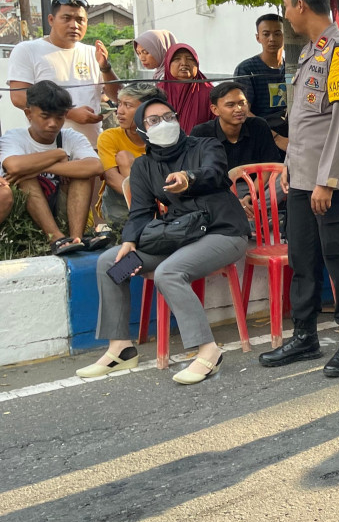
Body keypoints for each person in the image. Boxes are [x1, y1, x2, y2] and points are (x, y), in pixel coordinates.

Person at [78, 97, 251, 384]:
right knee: (112, 263)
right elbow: (141, 212)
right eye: (154, 120)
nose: (164, 124)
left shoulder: (205, 145)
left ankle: (208, 351)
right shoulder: (144, 167)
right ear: (142, 130)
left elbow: (214, 171)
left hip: (224, 232)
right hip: (181, 236)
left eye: (169, 116)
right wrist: (129, 242)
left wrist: (189, 177)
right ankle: (120, 347)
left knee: (168, 272)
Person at [258, 0, 339, 379]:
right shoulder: (311, 52)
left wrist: (327, 180)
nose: (285, 14)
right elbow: (305, 123)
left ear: (301, 6)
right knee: (304, 260)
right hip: (304, 180)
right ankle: (305, 335)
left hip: (332, 184)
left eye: (287, 6)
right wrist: (292, 169)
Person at [0, 80, 106, 254]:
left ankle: (75, 238)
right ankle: (56, 238)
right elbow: (14, 166)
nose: (53, 124)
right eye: (45, 116)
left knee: (82, 175)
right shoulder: (15, 137)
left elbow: (95, 166)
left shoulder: (71, 137)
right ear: (28, 114)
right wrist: (58, 155)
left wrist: (42, 167)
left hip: (63, 209)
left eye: (59, 117)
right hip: (28, 218)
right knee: (26, 179)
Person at [7, 0, 119, 144]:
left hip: (91, 146)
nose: (74, 25)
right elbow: (19, 97)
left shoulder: (93, 53)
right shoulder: (27, 50)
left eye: (80, 20)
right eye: (66, 18)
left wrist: (105, 67)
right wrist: (69, 113)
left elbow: (117, 96)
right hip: (47, 147)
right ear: (51, 20)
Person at [97, 84, 160, 226]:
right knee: (124, 157)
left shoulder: (163, 136)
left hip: (158, 199)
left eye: (128, 105)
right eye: (119, 105)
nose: (119, 111)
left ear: (147, 110)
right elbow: (111, 178)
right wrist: (144, 202)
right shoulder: (109, 137)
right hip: (121, 204)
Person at [190, 81, 285, 173]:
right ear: (215, 110)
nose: (238, 109)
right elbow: (197, 172)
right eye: (230, 105)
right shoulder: (201, 133)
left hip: (258, 185)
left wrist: (253, 189)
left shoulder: (259, 126)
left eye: (242, 103)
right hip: (218, 188)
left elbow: (269, 165)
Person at [233, 13, 289, 138]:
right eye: (266, 34)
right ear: (258, 38)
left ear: (285, 36)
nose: (272, 39)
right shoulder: (246, 69)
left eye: (277, 33)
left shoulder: (292, 68)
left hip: (292, 133)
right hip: (258, 136)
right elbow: (243, 110)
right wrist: (276, 138)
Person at [158, 43, 215, 134]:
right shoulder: (158, 92)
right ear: (168, 63)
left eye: (190, 59)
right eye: (177, 59)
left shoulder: (210, 93)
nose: (184, 63)